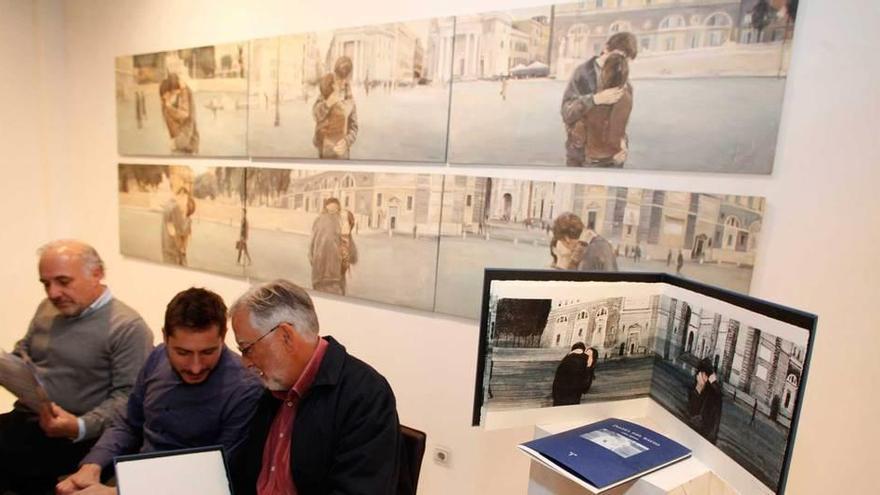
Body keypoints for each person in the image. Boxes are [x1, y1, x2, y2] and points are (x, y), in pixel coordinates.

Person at [56, 288, 263, 495]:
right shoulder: (157, 358)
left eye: (208, 352)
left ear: (223, 336)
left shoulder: (245, 389)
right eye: (183, 353)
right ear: (165, 337)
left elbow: (216, 473)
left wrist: (117, 492)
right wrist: (92, 466)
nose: (195, 367)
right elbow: (128, 423)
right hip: (135, 473)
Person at [0, 240, 153, 495]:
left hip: (79, 438)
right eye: (46, 284)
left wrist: (79, 426)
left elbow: (128, 399)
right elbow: (24, 353)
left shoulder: (127, 327)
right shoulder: (48, 308)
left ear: (97, 274)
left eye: (63, 281)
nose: (53, 293)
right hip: (30, 418)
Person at [229, 279, 400, 494]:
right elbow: (245, 473)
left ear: (286, 336)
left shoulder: (365, 395)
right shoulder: (272, 386)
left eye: (247, 349)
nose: (246, 362)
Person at [561, 32, 638, 167]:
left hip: (612, 158)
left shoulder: (625, 85)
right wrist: (594, 99)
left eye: (624, 59)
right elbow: (567, 113)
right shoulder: (582, 73)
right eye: (616, 55)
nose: (619, 62)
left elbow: (620, 123)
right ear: (606, 49)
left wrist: (623, 144)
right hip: (581, 157)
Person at [583, 52, 633, 167]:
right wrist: (622, 142)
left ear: (605, 72)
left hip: (594, 157)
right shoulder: (625, 95)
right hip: (611, 158)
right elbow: (616, 132)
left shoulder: (597, 95)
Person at [309, 198, 358, 296]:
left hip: (318, 276)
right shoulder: (342, 221)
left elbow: (310, 253)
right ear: (338, 208)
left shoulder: (317, 221)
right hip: (335, 277)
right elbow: (352, 256)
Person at [312, 56, 358, 159]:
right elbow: (315, 115)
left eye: (344, 80)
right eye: (338, 79)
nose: (341, 84)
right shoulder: (327, 89)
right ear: (335, 74)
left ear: (348, 79)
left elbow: (354, 127)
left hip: (342, 153)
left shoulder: (350, 99)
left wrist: (347, 141)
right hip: (324, 148)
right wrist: (327, 104)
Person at [159, 72, 199, 154]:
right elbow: (184, 116)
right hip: (182, 145)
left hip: (183, 145)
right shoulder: (168, 105)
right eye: (174, 93)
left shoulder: (171, 104)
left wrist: (184, 90)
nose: (177, 94)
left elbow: (185, 116)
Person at [687, 358, 722, 444]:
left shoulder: (713, 394)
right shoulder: (695, 388)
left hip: (704, 437)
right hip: (697, 435)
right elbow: (691, 411)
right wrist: (698, 388)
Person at [160, 187, 191, 265]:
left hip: (166, 248)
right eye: (186, 199)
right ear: (182, 194)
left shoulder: (168, 205)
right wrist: (187, 219)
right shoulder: (175, 208)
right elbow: (182, 231)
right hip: (175, 252)